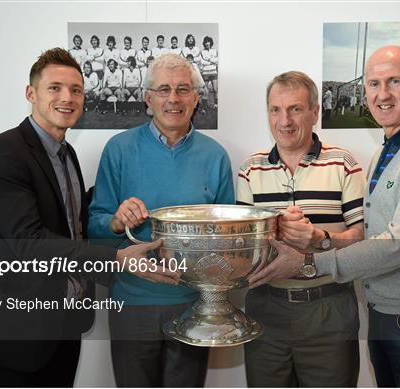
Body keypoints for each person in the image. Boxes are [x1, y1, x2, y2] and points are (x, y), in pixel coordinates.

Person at [250, 46, 400, 387]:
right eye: (373, 84)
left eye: (393, 81)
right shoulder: (390, 147)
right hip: (389, 313)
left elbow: (398, 244)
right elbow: (378, 233)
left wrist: (310, 260)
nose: (382, 94)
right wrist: (317, 239)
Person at [0, 47, 178, 387]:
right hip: (16, 333)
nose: (67, 97)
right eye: (55, 88)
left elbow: (69, 222)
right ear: (30, 93)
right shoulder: (2, 154)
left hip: (64, 324)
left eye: (76, 90)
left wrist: (115, 211)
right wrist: (117, 259)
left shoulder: (66, 155)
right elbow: (28, 242)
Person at [88, 53, 234, 387]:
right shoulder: (118, 149)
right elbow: (94, 229)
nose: (174, 98)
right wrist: (114, 222)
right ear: (147, 98)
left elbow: (228, 242)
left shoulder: (215, 156)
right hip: (131, 303)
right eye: (164, 89)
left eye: (183, 89)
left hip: (192, 305)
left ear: (197, 98)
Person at [236, 71, 365, 387]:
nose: (285, 120)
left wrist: (320, 240)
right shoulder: (249, 169)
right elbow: (241, 246)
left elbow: (363, 240)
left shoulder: (343, 163)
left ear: (315, 113)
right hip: (265, 308)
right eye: (275, 110)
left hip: (328, 308)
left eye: (295, 108)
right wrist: (271, 234)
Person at [200, 35, 218, 110]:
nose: (207, 43)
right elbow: (202, 62)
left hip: (214, 72)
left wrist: (208, 59)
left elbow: (217, 60)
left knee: (215, 89)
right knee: (205, 90)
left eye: (208, 42)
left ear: (211, 43)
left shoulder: (214, 51)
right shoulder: (202, 52)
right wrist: (212, 61)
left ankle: (216, 105)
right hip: (205, 72)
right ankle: (204, 107)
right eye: (206, 42)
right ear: (204, 43)